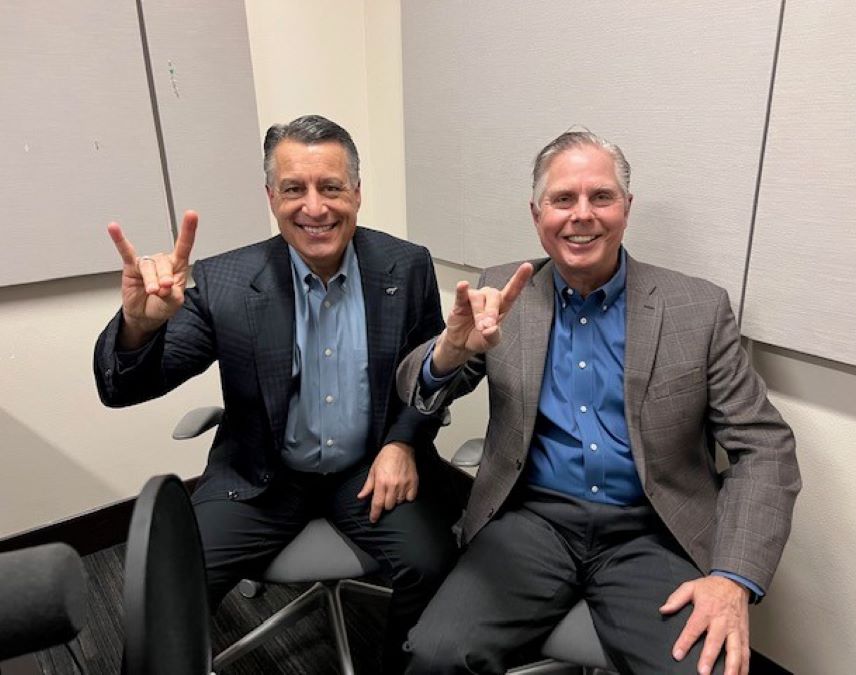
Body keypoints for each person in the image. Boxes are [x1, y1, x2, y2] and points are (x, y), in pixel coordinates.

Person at [396, 130, 801, 675]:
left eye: (601, 197)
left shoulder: (696, 309)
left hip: (651, 532)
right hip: (531, 522)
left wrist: (732, 577)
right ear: (537, 214)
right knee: (435, 656)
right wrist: (449, 350)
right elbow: (416, 386)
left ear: (626, 209)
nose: (581, 215)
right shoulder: (503, 293)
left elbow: (764, 448)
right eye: (563, 199)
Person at [94, 114, 460, 672]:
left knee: (432, 562)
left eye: (331, 187)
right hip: (260, 475)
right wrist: (140, 327)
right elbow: (122, 387)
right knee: (167, 583)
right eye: (294, 189)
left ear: (357, 193)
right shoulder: (227, 280)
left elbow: (429, 375)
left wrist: (404, 442)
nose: (314, 208)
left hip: (368, 471)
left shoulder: (404, 266)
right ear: (271, 196)